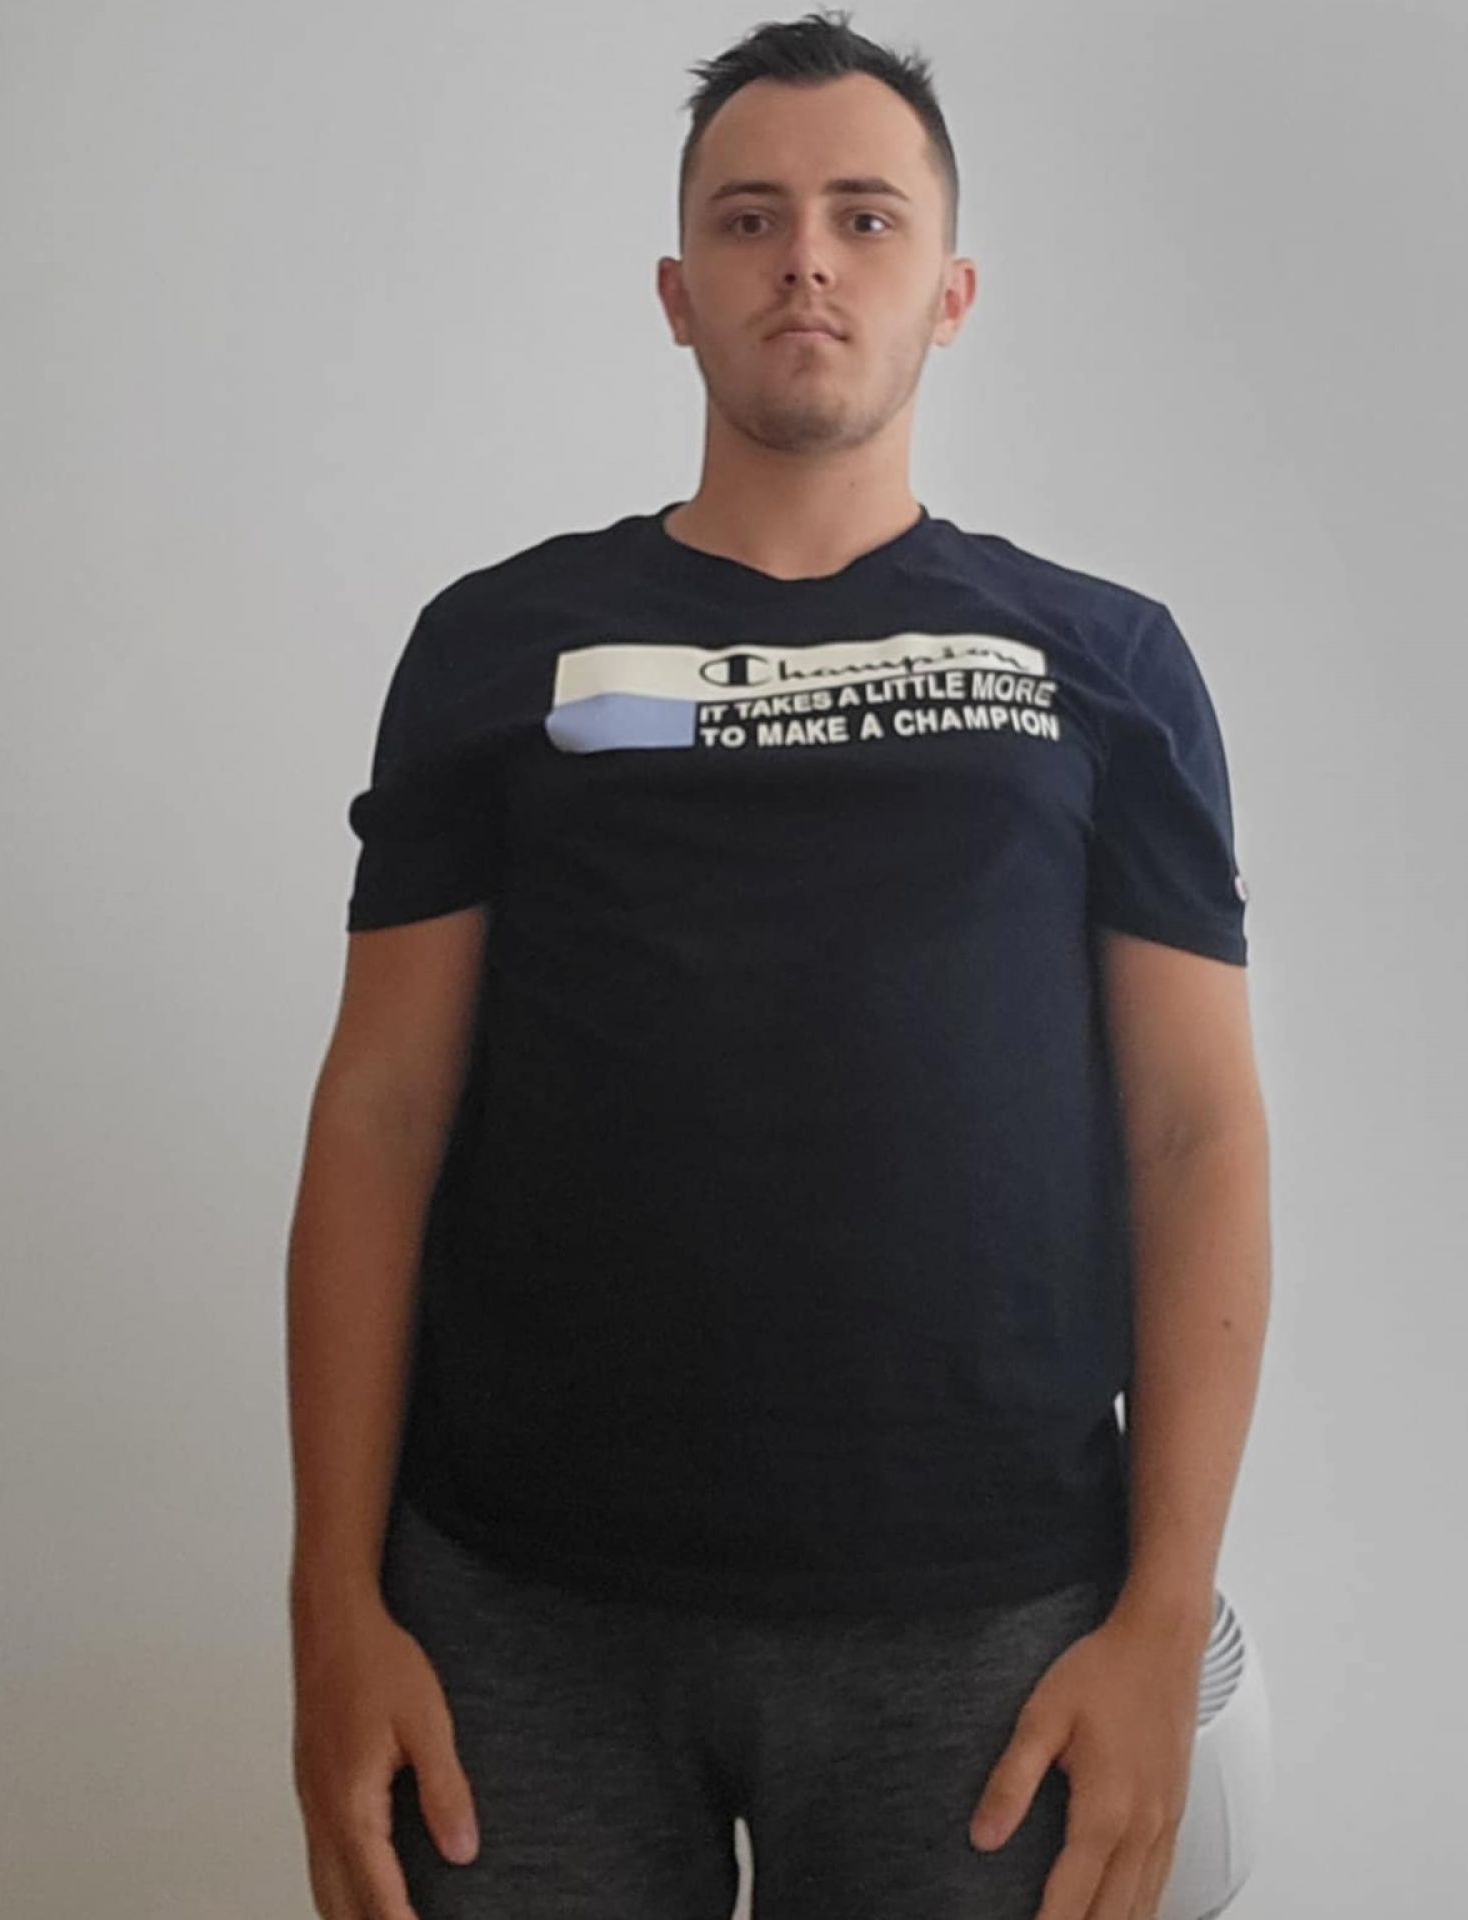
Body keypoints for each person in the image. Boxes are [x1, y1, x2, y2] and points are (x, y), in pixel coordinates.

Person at [286, 11, 1273, 1920]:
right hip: (517, 1607)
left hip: (989, 1612)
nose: (805, 259)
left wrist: (1163, 1620)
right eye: (749, 219)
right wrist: (333, 1603)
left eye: (864, 217)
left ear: (950, 292)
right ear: (677, 293)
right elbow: (380, 1114)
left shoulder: (1107, 661)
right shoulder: (497, 642)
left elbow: (1194, 1135)